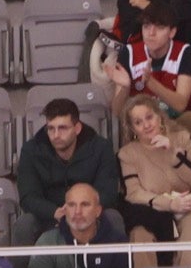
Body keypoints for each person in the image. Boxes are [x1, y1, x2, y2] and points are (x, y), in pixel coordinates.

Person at [11, 98, 122, 247]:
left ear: (77, 128)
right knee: (25, 223)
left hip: (89, 216)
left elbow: (108, 193)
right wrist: (55, 212)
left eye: (63, 128)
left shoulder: (100, 148)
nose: (56, 135)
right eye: (51, 128)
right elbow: (28, 197)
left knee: (113, 217)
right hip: (50, 216)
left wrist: (79, 211)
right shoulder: (32, 150)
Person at [118, 96, 191, 268]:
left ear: (159, 116)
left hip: (186, 204)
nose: (146, 125)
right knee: (139, 233)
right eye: (138, 122)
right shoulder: (127, 153)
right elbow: (133, 193)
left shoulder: (183, 138)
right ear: (132, 128)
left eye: (149, 117)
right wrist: (169, 204)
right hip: (151, 209)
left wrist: (173, 153)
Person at [105, 5, 191, 153]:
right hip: (143, 122)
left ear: (172, 32)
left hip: (176, 119)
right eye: (146, 26)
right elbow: (117, 111)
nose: (151, 33)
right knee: (131, 126)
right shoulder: (128, 53)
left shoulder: (186, 53)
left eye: (159, 27)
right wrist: (125, 87)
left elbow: (180, 104)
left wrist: (152, 84)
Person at [25, 183, 131, 268]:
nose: (77, 211)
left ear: (98, 211)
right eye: (71, 205)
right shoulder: (48, 243)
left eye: (85, 204)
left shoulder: (117, 243)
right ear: (65, 210)